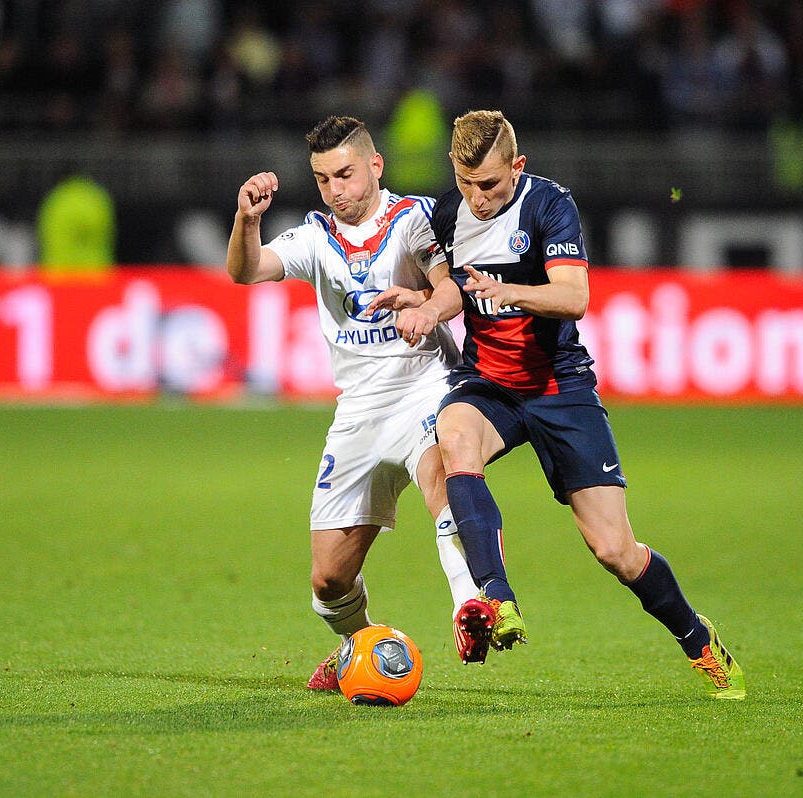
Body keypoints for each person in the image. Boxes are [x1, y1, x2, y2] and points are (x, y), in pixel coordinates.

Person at [386, 109, 746, 699]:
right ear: (454, 167)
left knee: (614, 550)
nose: (478, 197)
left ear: (517, 167)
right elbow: (454, 284)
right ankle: (497, 600)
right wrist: (428, 308)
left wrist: (508, 290)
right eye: (467, 182)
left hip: (560, 389)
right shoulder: (446, 212)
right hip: (490, 384)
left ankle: (697, 639)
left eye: (491, 184)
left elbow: (575, 296)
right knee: (452, 440)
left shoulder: (549, 205)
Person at [225, 115, 477, 690]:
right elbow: (245, 270)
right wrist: (247, 219)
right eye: (322, 179)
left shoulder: (413, 219)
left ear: (375, 166)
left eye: (345, 174)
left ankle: (470, 604)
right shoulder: (315, 236)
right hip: (359, 411)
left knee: (445, 476)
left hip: (427, 385)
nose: (336, 190)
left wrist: (425, 310)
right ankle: (359, 646)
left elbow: (449, 288)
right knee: (328, 581)